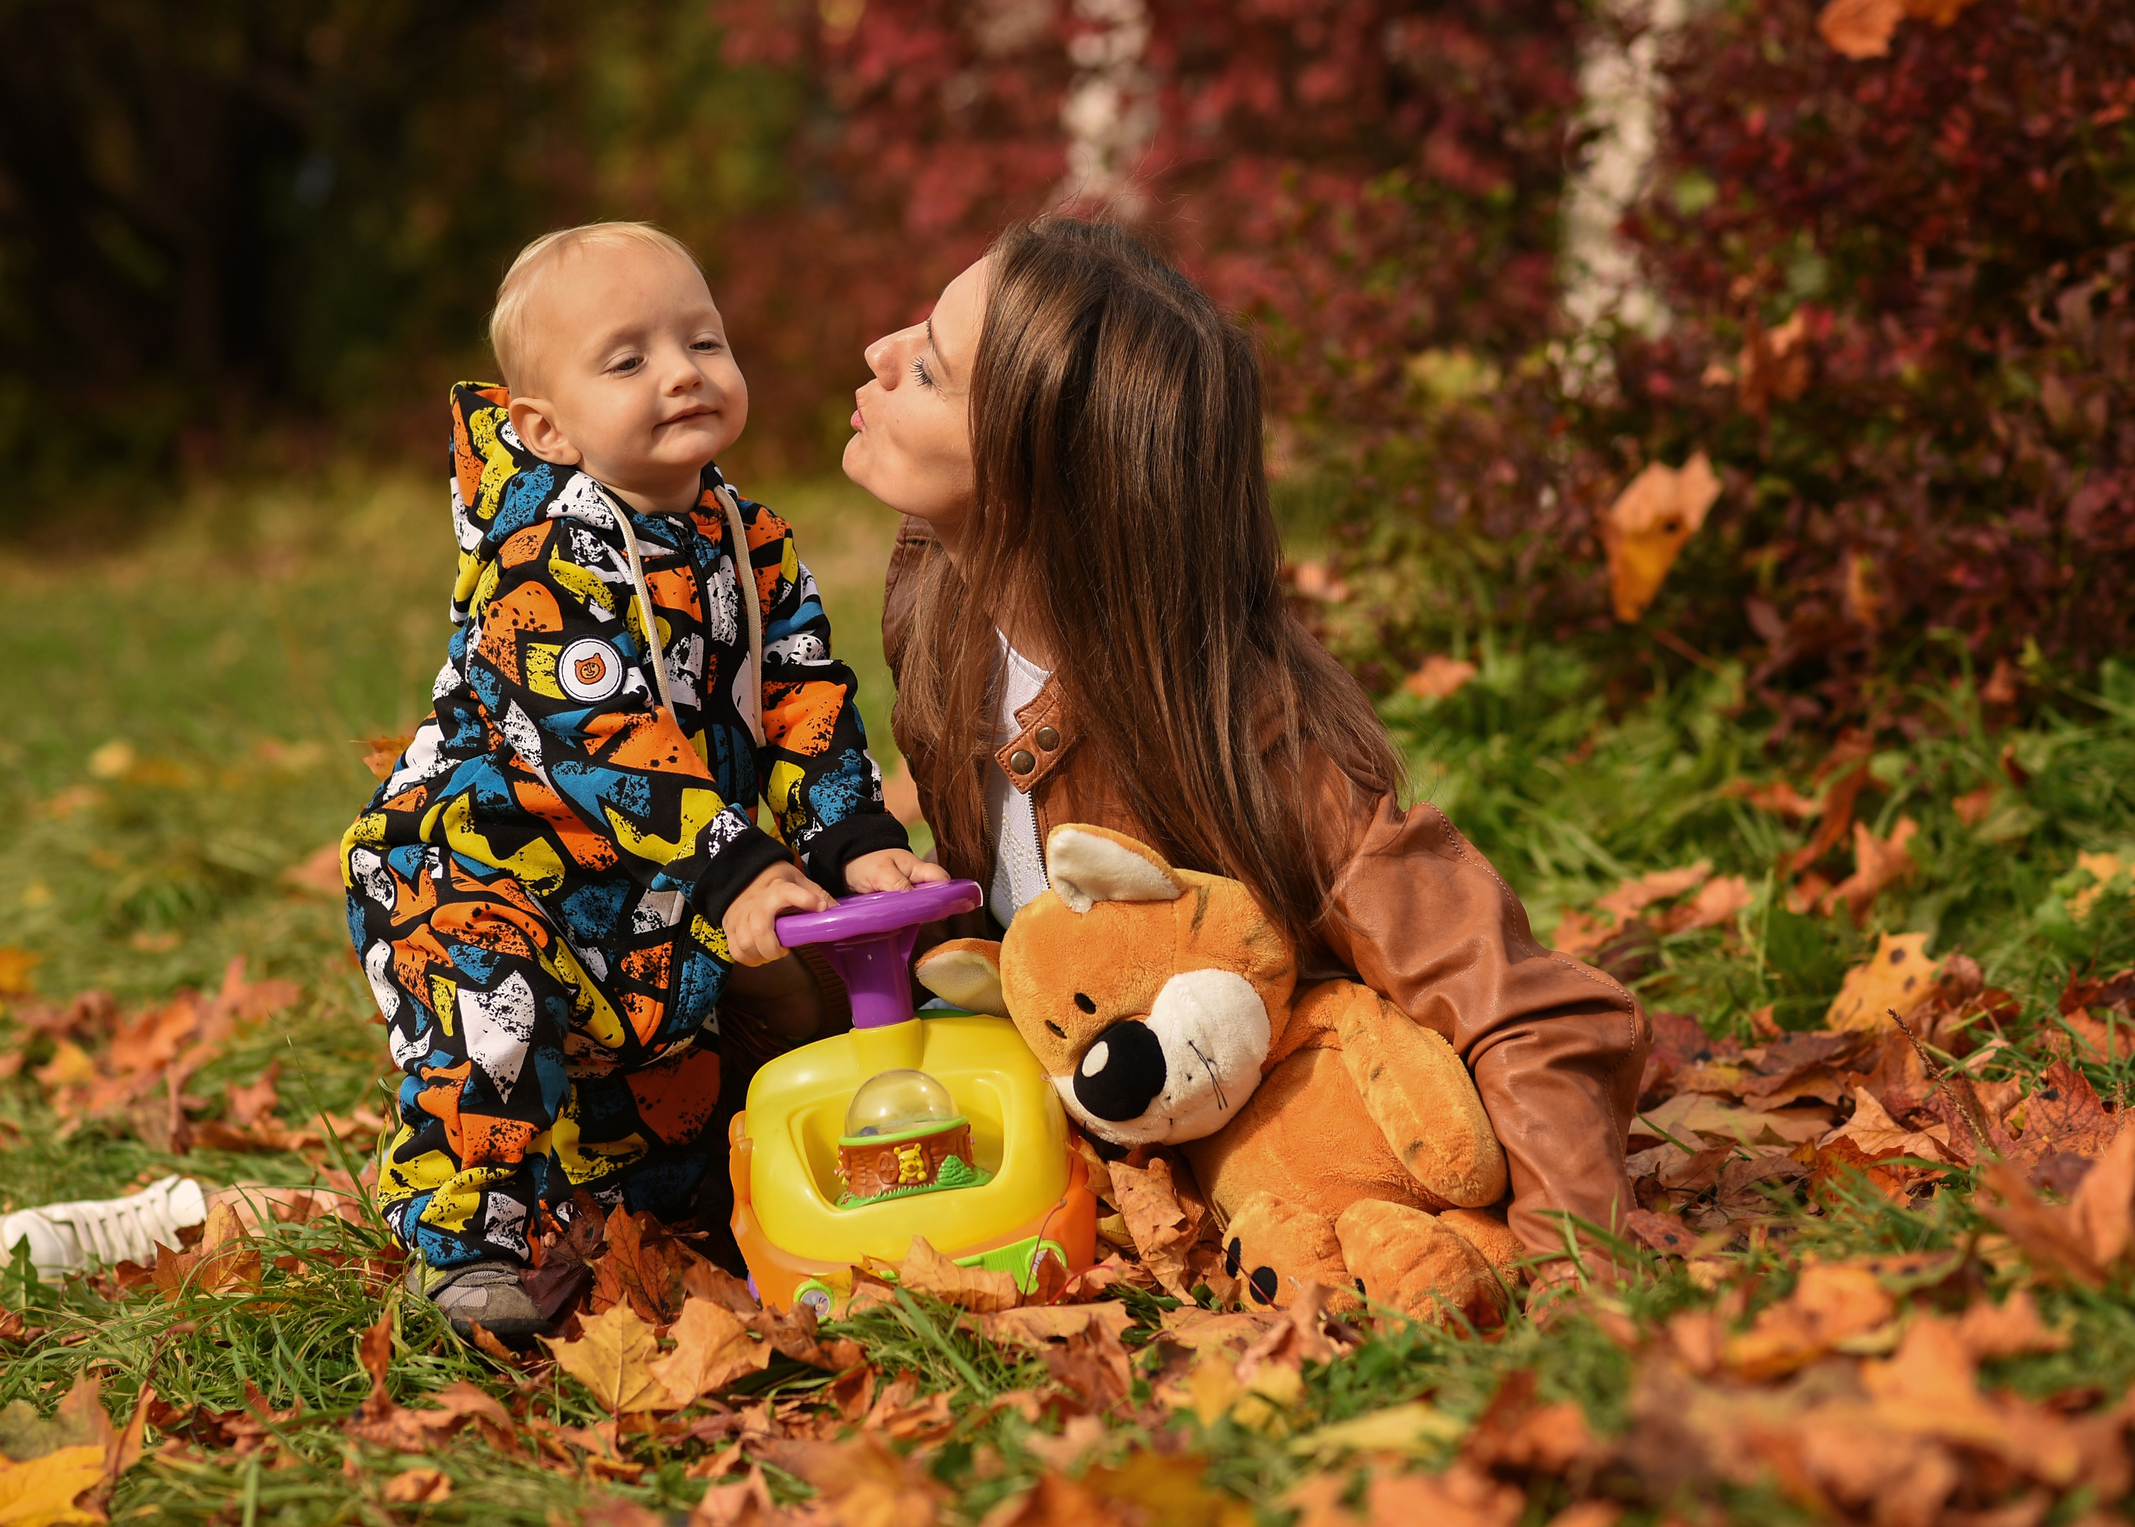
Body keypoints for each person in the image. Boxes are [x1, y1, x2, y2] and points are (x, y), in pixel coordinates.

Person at [841, 216, 1646, 1280]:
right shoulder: (933, 593)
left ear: (1040, 483)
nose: (878, 354)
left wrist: (1577, 1273)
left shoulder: (1251, 737)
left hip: (1251, 1123)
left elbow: (1529, 1009)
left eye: (930, 369)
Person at [340, 222, 941, 1340]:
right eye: (628, 359)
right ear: (544, 426)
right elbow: (600, 737)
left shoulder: (747, 537)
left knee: (663, 1112)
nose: (681, 372)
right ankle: (464, 1238)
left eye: (703, 340)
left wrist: (844, 831)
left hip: (654, 895)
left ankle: (650, 1208)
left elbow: (801, 689)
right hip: (477, 864)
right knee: (491, 1033)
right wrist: (740, 865)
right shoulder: (544, 557)